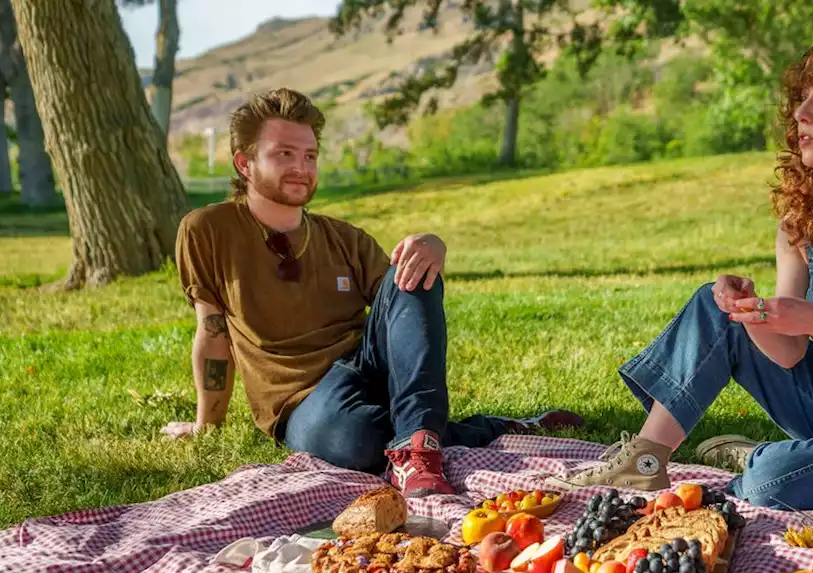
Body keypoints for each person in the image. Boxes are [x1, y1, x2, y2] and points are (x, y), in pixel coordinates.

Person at [547, 35, 813, 510]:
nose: (800, 114)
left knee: (768, 481)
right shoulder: (803, 224)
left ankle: (773, 460)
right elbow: (789, 354)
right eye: (802, 99)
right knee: (715, 303)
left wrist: (812, 319)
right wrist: (753, 312)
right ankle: (644, 462)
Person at [164, 88, 581, 497]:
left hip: (369, 366)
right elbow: (213, 331)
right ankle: (484, 430)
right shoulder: (209, 230)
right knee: (353, 442)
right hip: (305, 402)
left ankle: (417, 450)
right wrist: (206, 425)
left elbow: (402, 307)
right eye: (284, 154)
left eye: (310, 156)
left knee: (414, 269)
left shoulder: (344, 238)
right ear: (245, 163)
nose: (301, 167)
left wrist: (431, 245)